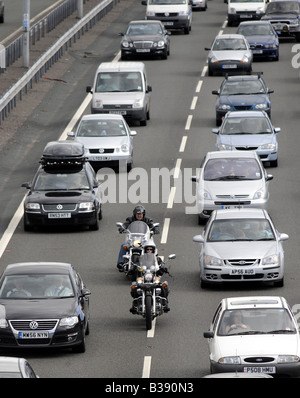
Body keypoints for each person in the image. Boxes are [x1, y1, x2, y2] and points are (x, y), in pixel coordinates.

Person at [117, 205, 159, 271]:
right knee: (124, 246)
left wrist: (155, 229)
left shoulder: (147, 220)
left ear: (143, 214)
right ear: (135, 214)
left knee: (152, 247)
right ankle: (121, 263)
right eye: (138, 214)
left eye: (141, 214)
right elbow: (126, 224)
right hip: (133, 239)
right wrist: (122, 228)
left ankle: (156, 262)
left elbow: (152, 225)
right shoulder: (130, 219)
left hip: (144, 240)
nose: (139, 215)